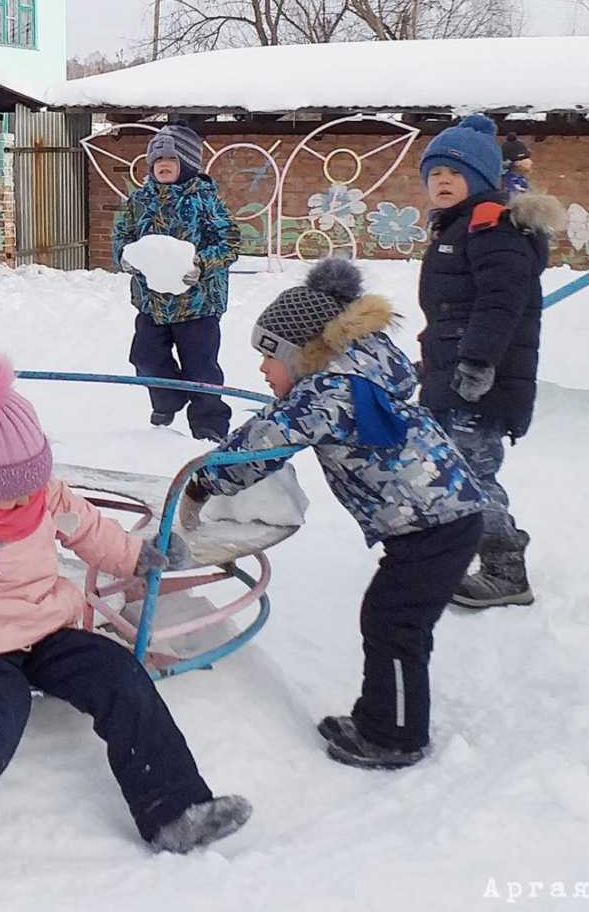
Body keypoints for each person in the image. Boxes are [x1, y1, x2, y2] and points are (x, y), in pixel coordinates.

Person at [0, 343, 250, 887]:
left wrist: (139, 556)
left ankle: (173, 812)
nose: (20, 504)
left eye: (27, 489)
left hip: (49, 625)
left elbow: (90, 530)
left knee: (121, 677)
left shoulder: (41, 491)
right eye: (4, 496)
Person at [184, 258, 485, 770]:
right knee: (389, 621)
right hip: (442, 520)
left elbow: (263, 443)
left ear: (301, 355)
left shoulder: (330, 392)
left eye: (268, 357)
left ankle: (395, 738)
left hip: (433, 528)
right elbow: (280, 419)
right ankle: (378, 720)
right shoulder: (356, 372)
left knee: (394, 626)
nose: (261, 370)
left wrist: (203, 481)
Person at [416, 116, 564, 610]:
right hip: (454, 375)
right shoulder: (459, 226)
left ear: (480, 181)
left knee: (470, 476)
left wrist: (476, 364)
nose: (441, 181)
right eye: (434, 173)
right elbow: (450, 311)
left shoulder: (491, 227)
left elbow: (501, 303)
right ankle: (453, 556)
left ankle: (505, 570)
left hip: (481, 382)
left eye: (453, 174)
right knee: (450, 472)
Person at [111, 124, 237, 441]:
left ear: (188, 163)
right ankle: (168, 398)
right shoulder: (138, 201)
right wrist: (124, 257)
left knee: (201, 368)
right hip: (152, 302)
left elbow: (230, 241)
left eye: (171, 159)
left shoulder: (205, 199)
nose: (163, 165)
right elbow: (122, 237)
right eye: (157, 160)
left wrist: (202, 263)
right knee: (144, 356)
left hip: (198, 303)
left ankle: (209, 424)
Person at [500, 134, 533, 199]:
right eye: (524, 159)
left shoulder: (520, 177)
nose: (531, 162)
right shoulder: (512, 180)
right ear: (515, 163)